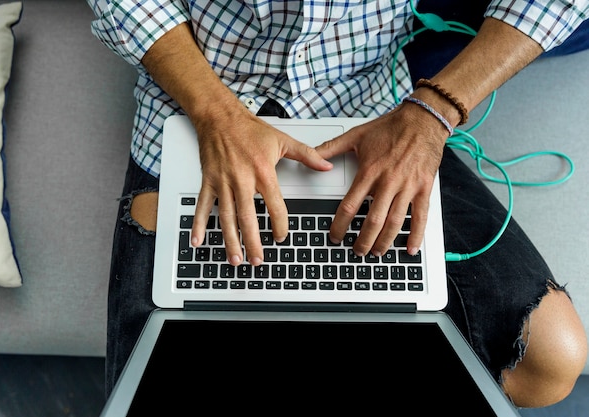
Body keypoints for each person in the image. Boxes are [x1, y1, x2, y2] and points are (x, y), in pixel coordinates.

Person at [88, 0, 589, 408]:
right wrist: (216, 113)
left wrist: (435, 111)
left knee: (550, 357)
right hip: (198, 110)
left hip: (377, 117)